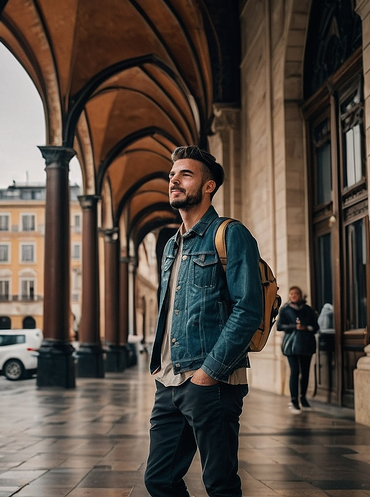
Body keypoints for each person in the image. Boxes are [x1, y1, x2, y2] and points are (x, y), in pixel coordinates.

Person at [144, 145, 262, 497]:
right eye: (172, 175)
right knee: (159, 479)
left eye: (185, 174)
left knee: (220, 484)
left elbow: (248, 309)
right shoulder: (171, 245)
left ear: (208, 186)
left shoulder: (230, 234)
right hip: (169, 381)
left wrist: (208, 374)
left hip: (212, 381)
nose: (174, 181)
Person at [276, 286, 319, 414]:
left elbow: (316, 327)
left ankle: (303, 399)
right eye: (292, 293)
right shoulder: (285, 309)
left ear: (301, 295)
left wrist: (306, 327)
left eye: (296, 293)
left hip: (306, 344)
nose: (294, 295)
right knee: (294, 371)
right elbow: (279, 326)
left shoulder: (308, 309)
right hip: (292, 345)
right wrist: (294, 326)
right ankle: (294, 401)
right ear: (289, 296)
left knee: (305, 373)